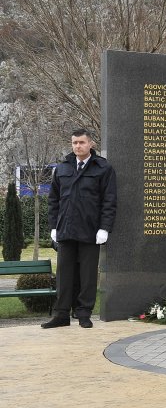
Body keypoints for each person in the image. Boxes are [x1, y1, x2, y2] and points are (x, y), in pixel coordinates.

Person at [41, 128, 117, 329]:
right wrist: (53, 227)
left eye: (81, 142)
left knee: (88, 275)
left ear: (91, 144)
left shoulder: (103, 168)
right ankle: (61, 314)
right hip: (66, 229)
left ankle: (84, 313)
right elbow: (53, 201)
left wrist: (104, 228)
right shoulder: (63, 168)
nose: (77, 146)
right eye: (74, 143)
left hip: (90, 231)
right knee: (64, 275)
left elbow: (109, 201)